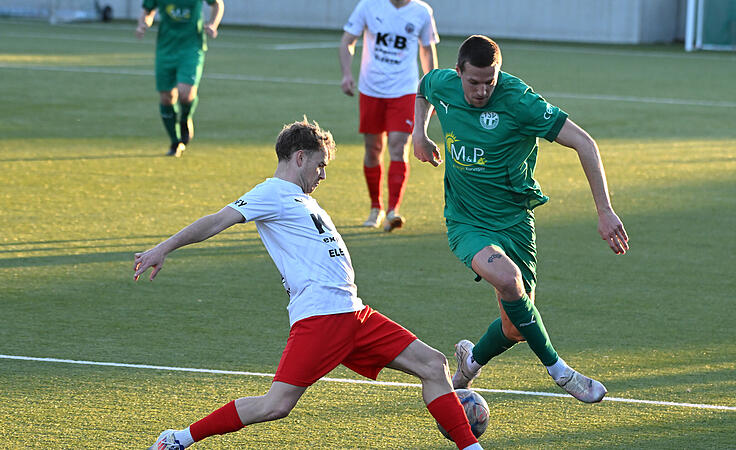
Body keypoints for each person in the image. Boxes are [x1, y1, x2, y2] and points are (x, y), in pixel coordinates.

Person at [135, 119, 482, 450]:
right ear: (300, 157)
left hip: (353, 313)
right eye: (320, 165)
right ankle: (178, 438)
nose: (323, 174)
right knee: (276, 405)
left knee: (433, 365)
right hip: (322, 316)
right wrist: (163, 248)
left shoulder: (302, 198)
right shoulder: (270, 192)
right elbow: (216, 221)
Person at [412, 35, 629, 404]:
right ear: (459, 72)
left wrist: (605, 210)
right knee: (508, 280)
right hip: (467, 221)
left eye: (489, 82)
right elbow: (423, 87)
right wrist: (420, 131)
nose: (481, 91)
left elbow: (584, 143)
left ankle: (467, 367)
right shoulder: (443, 84)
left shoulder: (520, 101)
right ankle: (561, 372)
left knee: (516, 327)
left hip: (515, 221)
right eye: (473, 82)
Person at [339, 0, 439, 231]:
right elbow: (347, 41)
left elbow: (427, 50)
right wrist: (346, 74)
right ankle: (376, 208)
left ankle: (393, 210)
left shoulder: (422, 12)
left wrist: (430, 88)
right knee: (373, 149)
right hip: (371, 89)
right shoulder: (368, 6)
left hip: (405, 90)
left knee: (398, 144)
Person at [135, 0, 224, 157]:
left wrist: (212, 24)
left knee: (185, 93)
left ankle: (185, 119)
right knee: (166, 98)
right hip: (166, 49)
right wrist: (143, 24)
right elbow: (148, 11)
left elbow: (217, 4)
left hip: (191, 47)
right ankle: (175, 142)